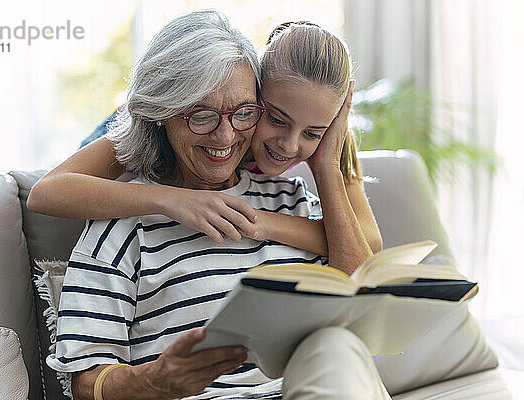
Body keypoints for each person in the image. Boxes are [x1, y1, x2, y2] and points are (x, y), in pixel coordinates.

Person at [45, 10, 392, 400]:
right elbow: (85, 384)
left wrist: (327, 163)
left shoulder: (291, 199)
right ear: (166, 113)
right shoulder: (122, 222)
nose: (226, 136)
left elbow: (364, 300)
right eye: (203, 115)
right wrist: (154, 381)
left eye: (245, 113)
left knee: (340, 348)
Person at [27, 24, 383, 276]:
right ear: (257, 91)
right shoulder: (173, 122)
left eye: (313, 132)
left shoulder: (322, 142)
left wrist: (324, 168)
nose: (290, 144)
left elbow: (365, 247)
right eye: (275, 118)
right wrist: (175, 199)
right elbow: (46, 193)